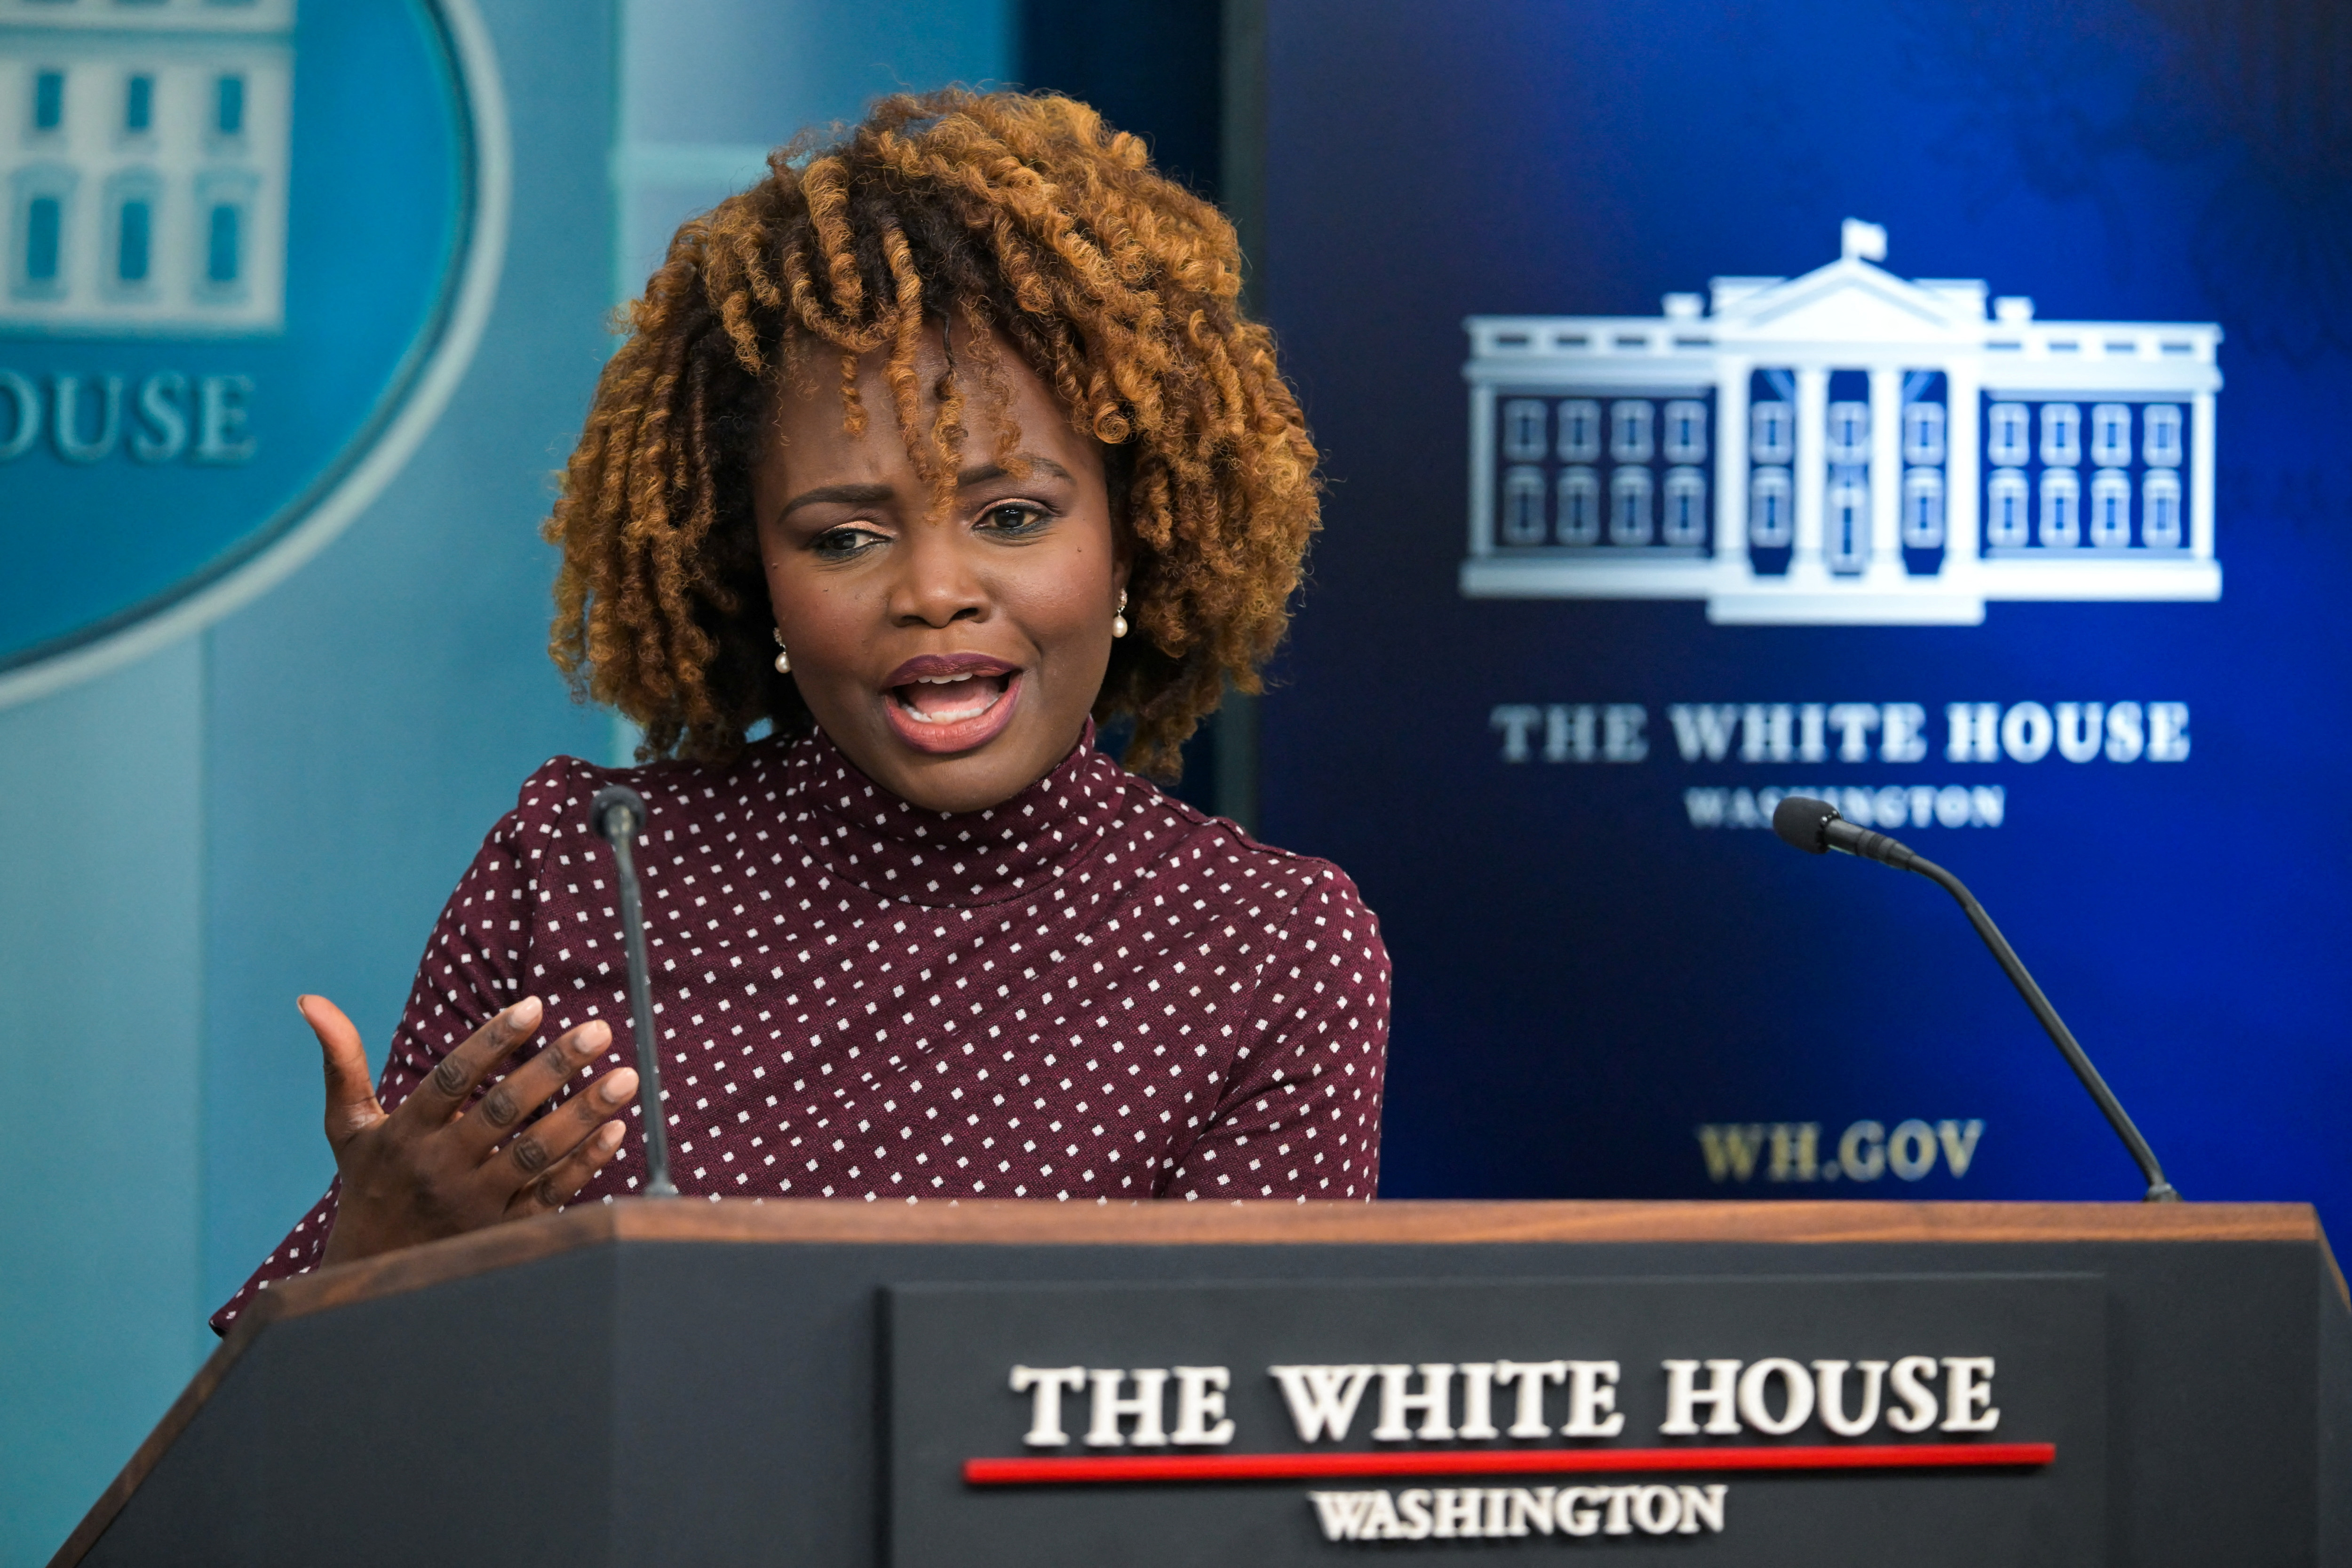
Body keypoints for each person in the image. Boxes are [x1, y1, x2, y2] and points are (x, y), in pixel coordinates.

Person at [213, 89, 1389, 1332]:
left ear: (1136, 542)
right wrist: (377, 1256)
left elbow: (1250, 1442)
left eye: (1013, 516)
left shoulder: (1265, 948)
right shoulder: (576, 869)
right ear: (754, 577)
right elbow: (268, 1468)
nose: (935, 592)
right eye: (845, 537)